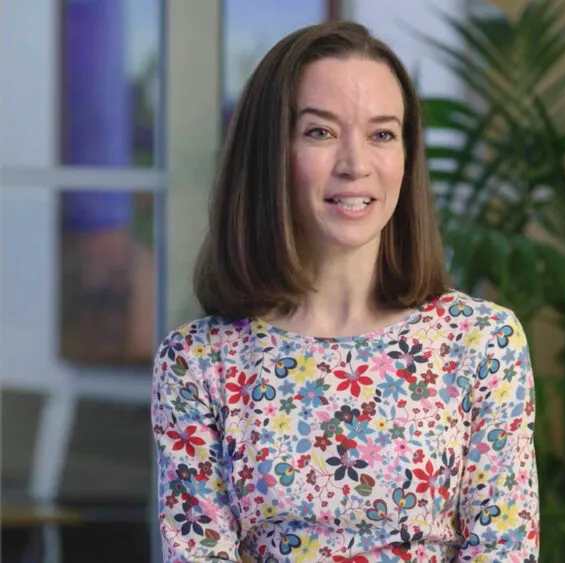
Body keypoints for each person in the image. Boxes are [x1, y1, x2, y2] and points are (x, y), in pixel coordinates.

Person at [150, 21, 539, 562]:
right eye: (320, 132)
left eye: (382, 135)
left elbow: (504, 549)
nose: (356, 165)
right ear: (270, 153)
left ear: (407, 156)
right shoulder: (197, 362)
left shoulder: (482, 343)